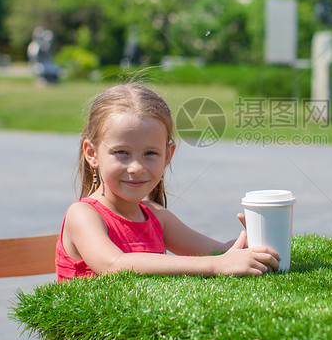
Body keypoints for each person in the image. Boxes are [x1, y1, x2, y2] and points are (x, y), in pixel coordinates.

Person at [56, 82, 280, 280]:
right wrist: (216, 265)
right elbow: (113, 265)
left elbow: (218, 252)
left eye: (150, 154)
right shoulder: (83, 215)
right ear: (92, 153)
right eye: (121, 152)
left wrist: (248, 242)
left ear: (168, 155)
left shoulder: (157, 217)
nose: (136, 167)